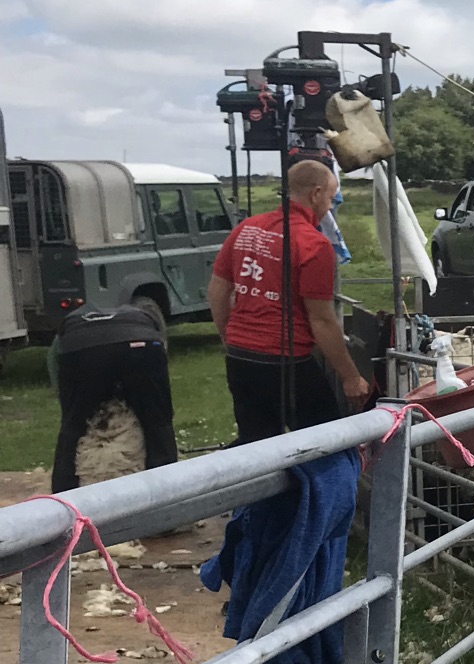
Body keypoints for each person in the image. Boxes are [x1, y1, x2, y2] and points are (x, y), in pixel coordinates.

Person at [208, 159, 372, 442]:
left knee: (257, 447)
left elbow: (218, 291)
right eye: (332, 199)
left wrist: (231, 336)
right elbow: (321, 320)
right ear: (316, 194)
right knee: (327, 444)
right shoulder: (314, 244)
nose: (331, 207)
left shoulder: (246, 229)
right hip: (286, 362)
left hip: (240, 359)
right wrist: (350, 377)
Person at [50, 302, 179, 490]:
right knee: (158, 423)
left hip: (80, 347)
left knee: (72, 427)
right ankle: (168, 494)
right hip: (140, 343)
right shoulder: (146, 320)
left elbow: (56, 367)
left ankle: (64, 499)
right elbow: (157, 364)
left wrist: (74, 406)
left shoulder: (69, 325)